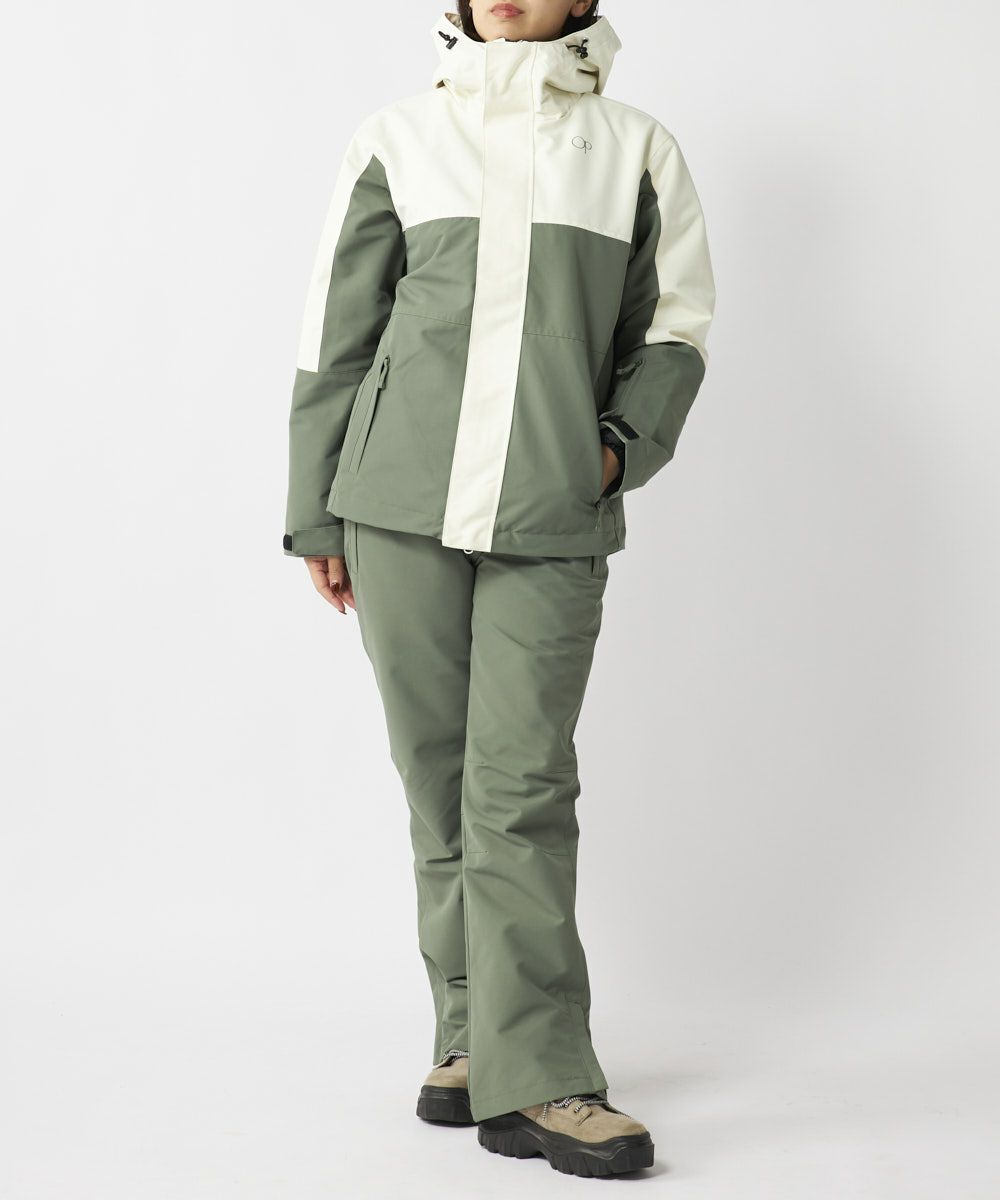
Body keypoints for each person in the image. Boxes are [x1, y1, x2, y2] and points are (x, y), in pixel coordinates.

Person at [283, 0, 715, 1178]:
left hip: (548, 510)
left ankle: (547, 1077)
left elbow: (675, 328)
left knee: (518, 787)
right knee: (438, 782)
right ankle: (471, 1040)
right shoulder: (396, 138)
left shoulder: (634, 148)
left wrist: (611, 451)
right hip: (394, 506)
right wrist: (315, 507)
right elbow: (336, 333)